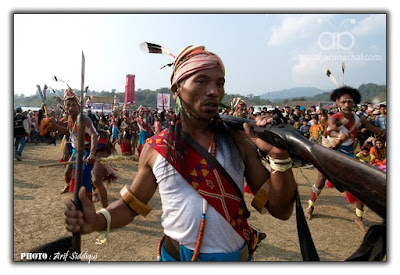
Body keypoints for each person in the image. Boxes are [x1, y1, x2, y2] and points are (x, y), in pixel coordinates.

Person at [64, 45, 297, 262]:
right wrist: (96, 220)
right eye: (202, 81)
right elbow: (130, 206)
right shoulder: (156, 148)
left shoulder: (239, 141)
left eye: (220, 83)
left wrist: (279, 158)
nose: (214, 91)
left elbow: (281, 209)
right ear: (177, 90)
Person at [304, 86, 386, 233]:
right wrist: (338, 135)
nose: (347, 104)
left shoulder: (358, 118)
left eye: (350, 101)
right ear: (338, 103)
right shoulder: (333, 118)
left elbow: (376, 131)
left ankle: (358, 217)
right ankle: (310, 207)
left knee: (360, 185)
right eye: (344, 102)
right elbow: (332, 128)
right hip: (332, 153)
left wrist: (383, 133)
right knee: (321, 179)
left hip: (349, 155)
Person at [49, 88, 111, 208]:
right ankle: (83, 200)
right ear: (65, 107)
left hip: (99, 148)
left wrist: (92, 154)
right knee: (72, 172)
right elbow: (69, 131)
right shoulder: (71, 119)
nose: (71, 107)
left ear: (78, 107)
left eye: (73, 105)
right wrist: (55, 126)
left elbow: (94, 135)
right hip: (83, 149)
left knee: (96, 180)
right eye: (68, 105)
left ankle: (106, 212)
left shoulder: (83, 119)